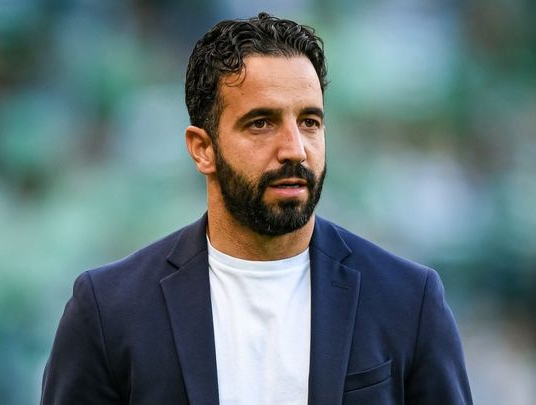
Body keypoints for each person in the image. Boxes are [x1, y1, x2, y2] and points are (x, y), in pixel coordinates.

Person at [41, 12, 472, 405]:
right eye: (261, 123)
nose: (294, 149)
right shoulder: (109, 309)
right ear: (202, 148)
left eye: (309, 122)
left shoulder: (409, 301)